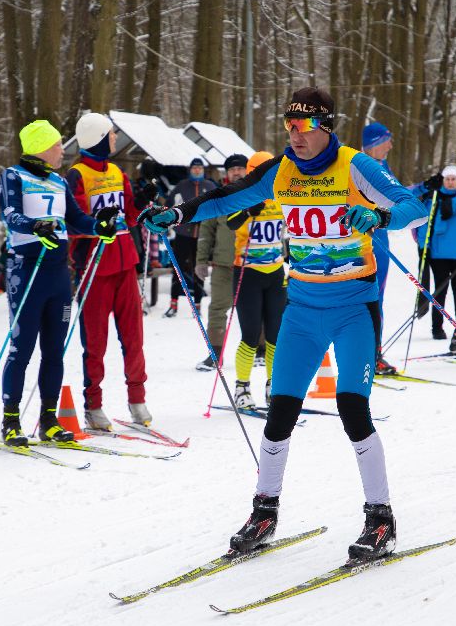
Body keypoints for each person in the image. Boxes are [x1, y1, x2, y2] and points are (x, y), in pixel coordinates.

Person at [141, 87, 428, 562]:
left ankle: (380, 518)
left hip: (353, 308)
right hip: (302, 310)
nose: (295, 135)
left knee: (352, 408)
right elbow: (224, 198)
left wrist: (379, 215)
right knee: (280, 411)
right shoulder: (281, 170)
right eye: (289, 126)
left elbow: (413, 206)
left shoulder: (356, 166)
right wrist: (176, 214)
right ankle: (264, 512)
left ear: (326, 127)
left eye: (304, 127)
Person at [0, 120, 121, 445]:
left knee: (54, 351)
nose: (61, 151)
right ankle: (10, 420)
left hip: (57, 275)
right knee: (21, 349)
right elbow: (10, 214)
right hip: (26, 270)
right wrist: (36, 226)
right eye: (55, 145)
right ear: (40, 147)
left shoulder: (58, 181)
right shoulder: (13, 175)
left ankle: (49, 420)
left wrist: (99, 226)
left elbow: (76, 219)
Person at [66, 112, 151, 431]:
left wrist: (141, 201)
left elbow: (130, 215)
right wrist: (97, 224)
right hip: (94, 267)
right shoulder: (77, 175)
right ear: (98, 137)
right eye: (111, 133)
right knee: (96, 342)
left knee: (133, 336)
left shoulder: (117, 172)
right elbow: (74, 221)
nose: (115, 137)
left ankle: (137, 399)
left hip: (125, 263)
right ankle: (93, 404)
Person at [222, 150, 287, 408]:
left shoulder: (282, 195)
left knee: (275, 337)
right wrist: (249, 210)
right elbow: (230, 222)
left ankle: (273, 386)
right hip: (248, 273)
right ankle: (242, 387)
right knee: (250, 336)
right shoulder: (242, 193)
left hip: (275, 274)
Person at [195, 153, 248, 372]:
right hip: (223, 264)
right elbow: (206, 231)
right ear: (227, 173)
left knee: (257, 308)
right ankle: (215, 354)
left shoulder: (258, 194)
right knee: (217, 309)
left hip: (253, 264)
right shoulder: (217, 198)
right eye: (232, 169)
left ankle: (261, 349)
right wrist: (201, 260)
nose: (237, 172)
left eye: (240, 168)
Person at [360, 122, 401, 376]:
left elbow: (397, 196)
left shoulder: (383, 166)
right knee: (364, 298)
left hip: (381, 241)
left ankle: (374, 353)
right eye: (387, 140)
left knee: (378, 298)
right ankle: (365, 355)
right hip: (365, 242)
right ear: (375, 143)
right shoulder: (360, 166)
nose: (391, 145)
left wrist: (422, 190)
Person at [413, 165, 456, 341]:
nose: (451, 182)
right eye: (448, 179)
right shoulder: (434, 197)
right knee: (440, 292)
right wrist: (423, 247)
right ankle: (437, 328)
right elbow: (424, 224)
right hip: (439, 255)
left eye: (454, 179)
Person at [163, 157, 217, 318]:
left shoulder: (210, 186)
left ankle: (197, 305)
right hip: (183, 234)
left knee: (199, 269)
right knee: (177, 268)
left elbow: (217, 208)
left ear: (203, 170)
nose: (197, 170)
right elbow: (169, 205)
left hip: (202, 236)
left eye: (200, 168)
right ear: (190, 170)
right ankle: (173, 304)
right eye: (194, 168)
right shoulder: (182, 186)